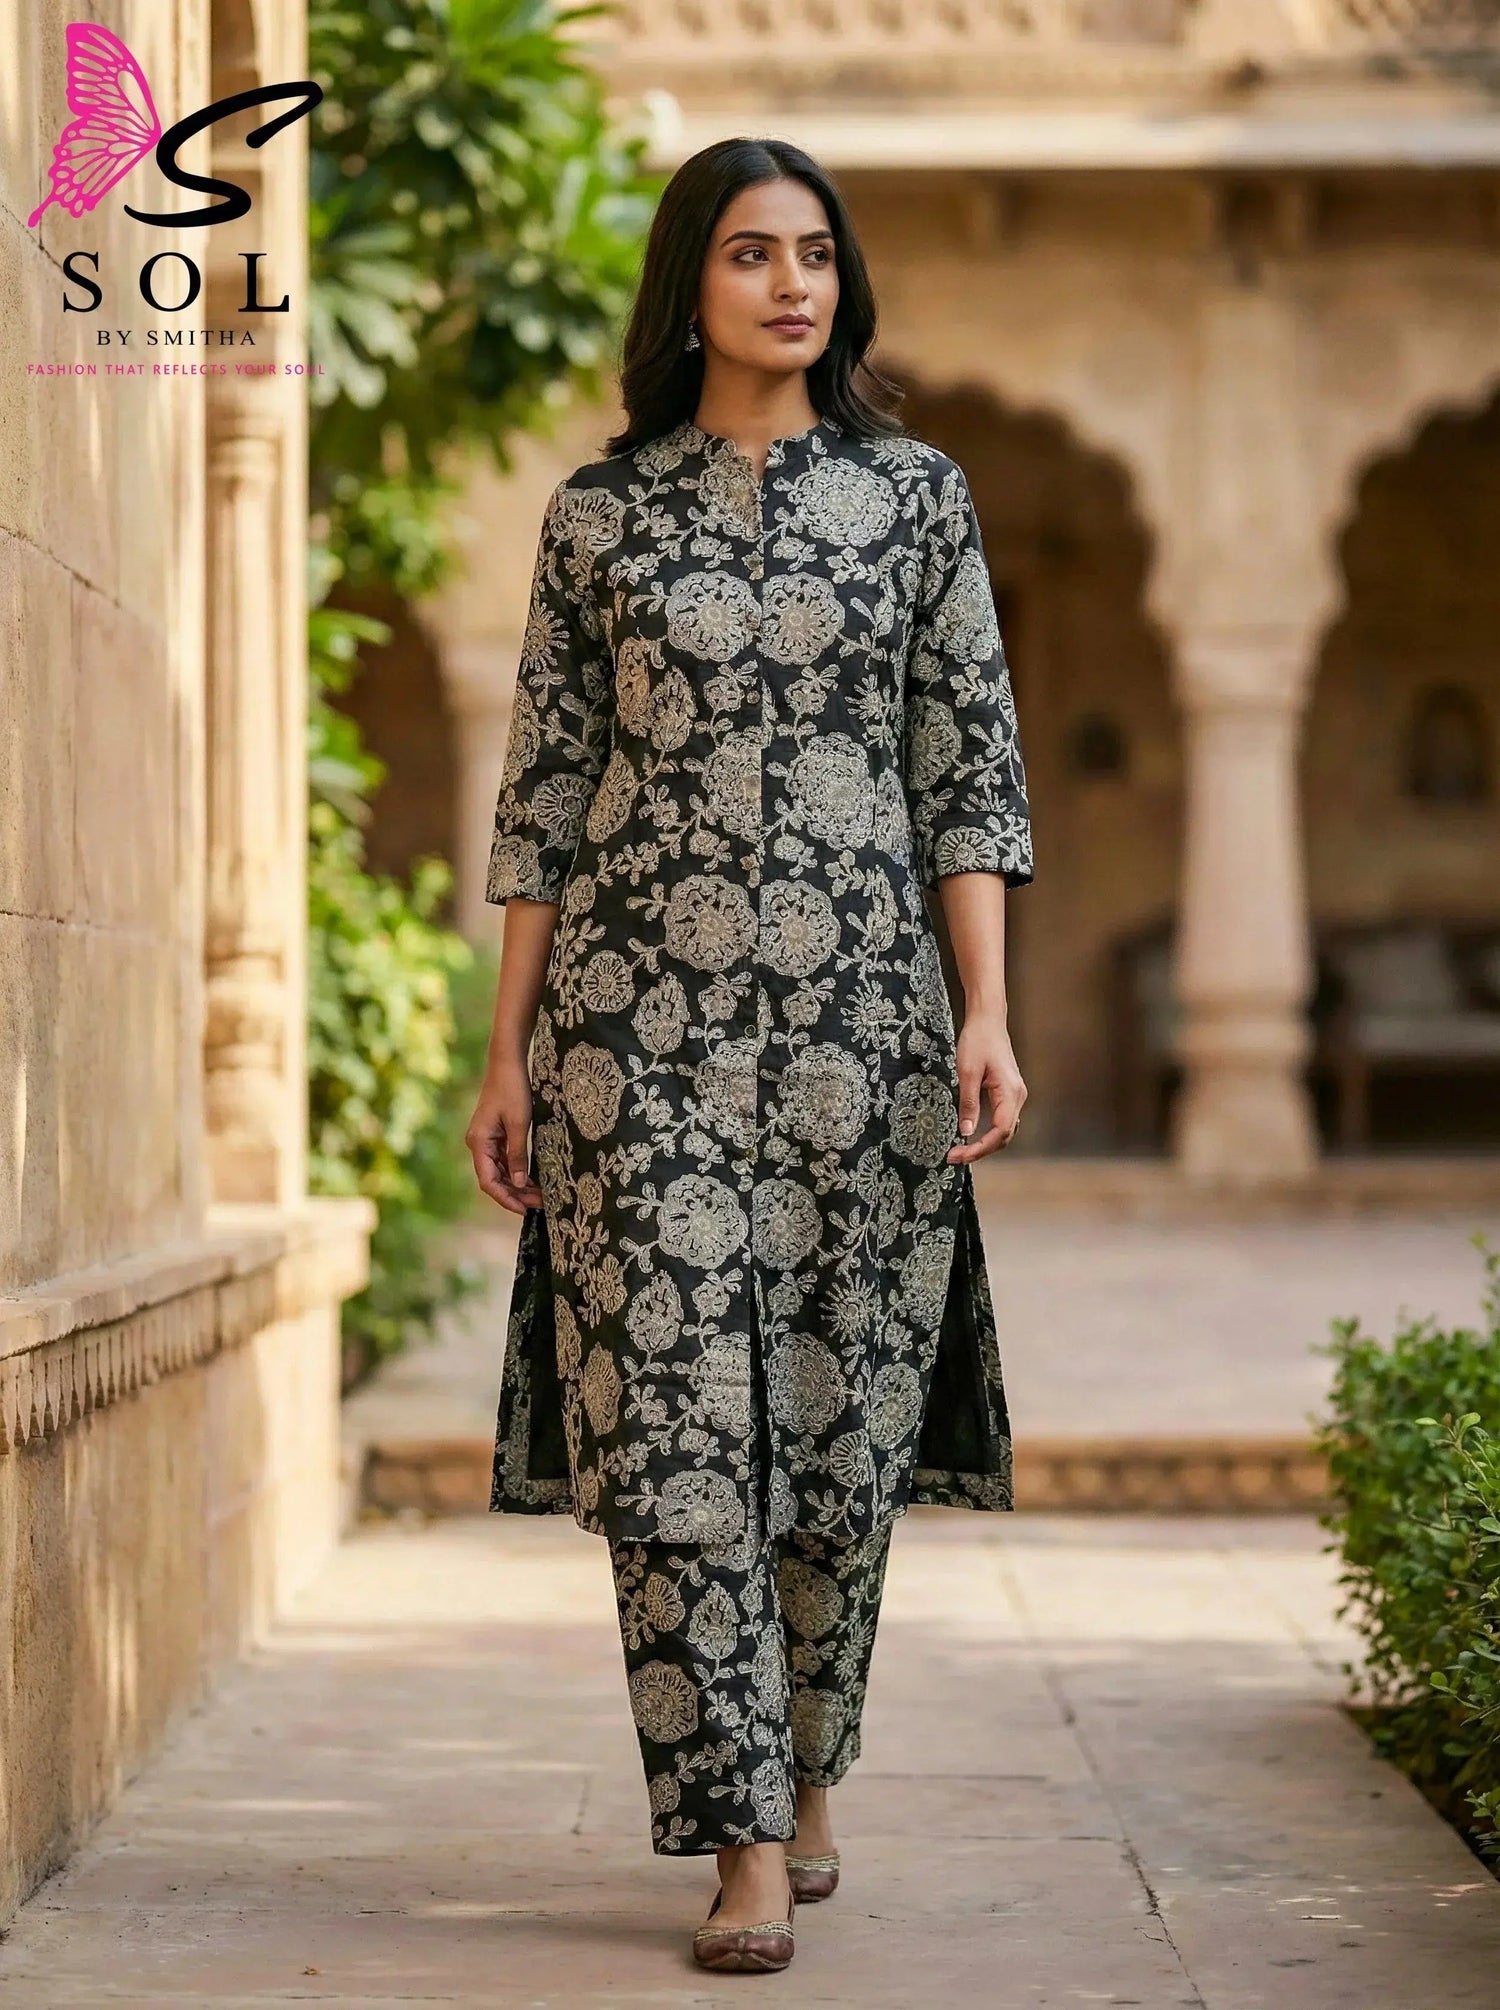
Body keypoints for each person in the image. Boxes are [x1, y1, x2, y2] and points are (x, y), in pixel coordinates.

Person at [466, 135, 1033, 1975]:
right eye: (747, 254)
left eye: (814, 254)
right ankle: (738, 1850)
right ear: (685, 287)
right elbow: (546, 795)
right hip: (636, 1042)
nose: (790, 284)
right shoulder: (599, 518)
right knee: (680, 1436)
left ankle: (804, 1770)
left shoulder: (918, 501)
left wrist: (988, 1012)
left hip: (864, 1036)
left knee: (835, 1424)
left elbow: (971, 774)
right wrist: (505, 1056)